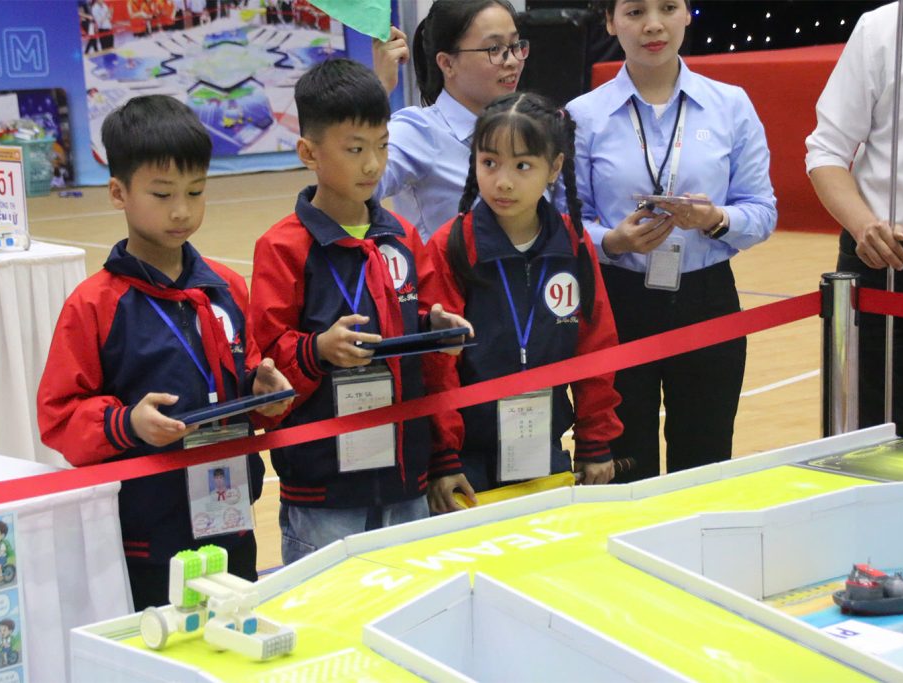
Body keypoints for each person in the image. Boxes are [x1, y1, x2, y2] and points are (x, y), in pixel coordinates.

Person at [37, 95, 292, 610]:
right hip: (147, 538)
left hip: (232, 519)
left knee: (235, 633)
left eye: (195, 191)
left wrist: (264, 392)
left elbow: (241, 374)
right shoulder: (94, 304)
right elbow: (59, 416)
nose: (182, 210)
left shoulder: (225, 287)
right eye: (162, 194)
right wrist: (128, 423)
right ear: (118, 192)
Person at [250, 59, 470, 564]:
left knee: (411, 599)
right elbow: (264, 365)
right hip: (324, 493)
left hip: (406, 481)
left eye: (382, 146)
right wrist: (317, 350)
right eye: (355, 149)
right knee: (329, 604)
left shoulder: (403, 237)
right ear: (309, 153)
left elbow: (434, 369)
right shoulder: (282, 248)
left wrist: (435, 329)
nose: (373, 164)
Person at [566, 0, 776, 482]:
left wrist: (715, 218)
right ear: (610, 21)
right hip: (617, 301)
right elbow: (564, 220)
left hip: (707, 296)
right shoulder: (582, 115)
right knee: (622, 465)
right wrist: (612, 241)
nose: (653, 25)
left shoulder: (730, 105)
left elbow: (762, 210)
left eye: (667, 7)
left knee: (705, 459)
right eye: (635, 12)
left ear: (687, 14)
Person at [421, 92, 621, 512]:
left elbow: (595, 348)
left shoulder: (574, 243)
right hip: (466, 458)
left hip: (541, 444)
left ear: (555, 168)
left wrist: (594, 439)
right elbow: (438, 365)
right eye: (489, 162)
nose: (503, 181)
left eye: (523, 165)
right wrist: (443, 455)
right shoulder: (451, 246)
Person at [806, 1, 903, 438]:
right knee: (877, 438)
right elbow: (827, 150)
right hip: (888, 261)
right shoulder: (884, 28)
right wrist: (863, 225)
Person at [372, 0, 531, 242]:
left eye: (515, 45)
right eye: (494, 49)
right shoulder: (418, 131)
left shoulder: (525, 126)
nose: (512, 61)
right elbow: (354, 189)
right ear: (447, 63)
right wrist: (378, 89)